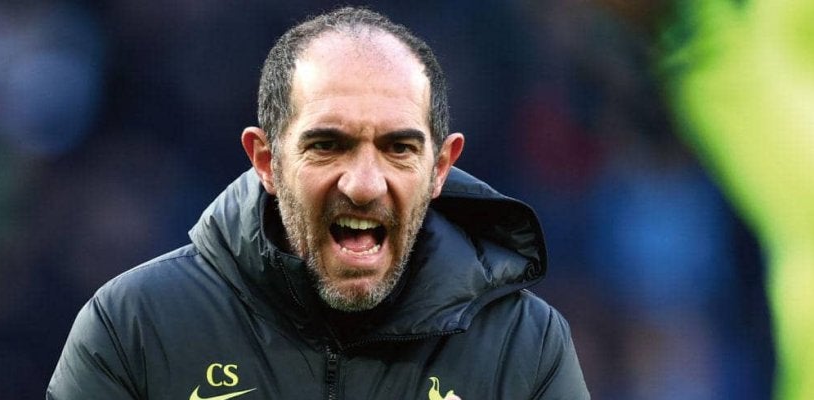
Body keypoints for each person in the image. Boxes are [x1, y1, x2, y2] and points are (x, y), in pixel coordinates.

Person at [48, 7, 588, 400]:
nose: (364, 184)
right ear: (266, 160)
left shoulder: (524, 347)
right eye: (328, 145)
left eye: (399, 148)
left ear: (440, 168)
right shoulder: (133, 326)